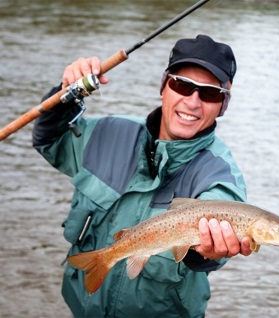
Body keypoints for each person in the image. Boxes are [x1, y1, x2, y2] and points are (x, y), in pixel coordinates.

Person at [32, 34, 252, 317]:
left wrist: (207, 252)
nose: (193, 102)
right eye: (182, 85)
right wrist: (66, 95)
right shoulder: (108, 134)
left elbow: (222, 214)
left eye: (209, 93)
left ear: (223, 105)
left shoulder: (221, 174)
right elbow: (49, 140)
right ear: (164, 86)